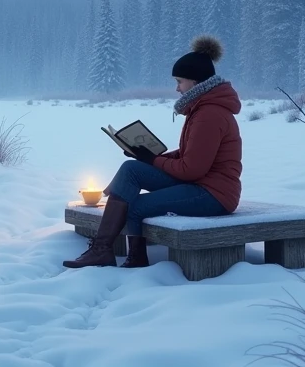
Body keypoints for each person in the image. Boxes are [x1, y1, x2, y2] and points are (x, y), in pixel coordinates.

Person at [63, 35, 242, 269]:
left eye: (180, 81)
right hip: (201, 183)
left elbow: (192, 169)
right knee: (132, 169)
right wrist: (147, 157)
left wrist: (153, 159)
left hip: (213, 194)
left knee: (137, 206)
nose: (177, 88)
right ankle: (103, 250)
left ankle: (133, 258)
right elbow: (193, 155)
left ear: (196, 82)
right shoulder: (202, 109)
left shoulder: (209, 115)